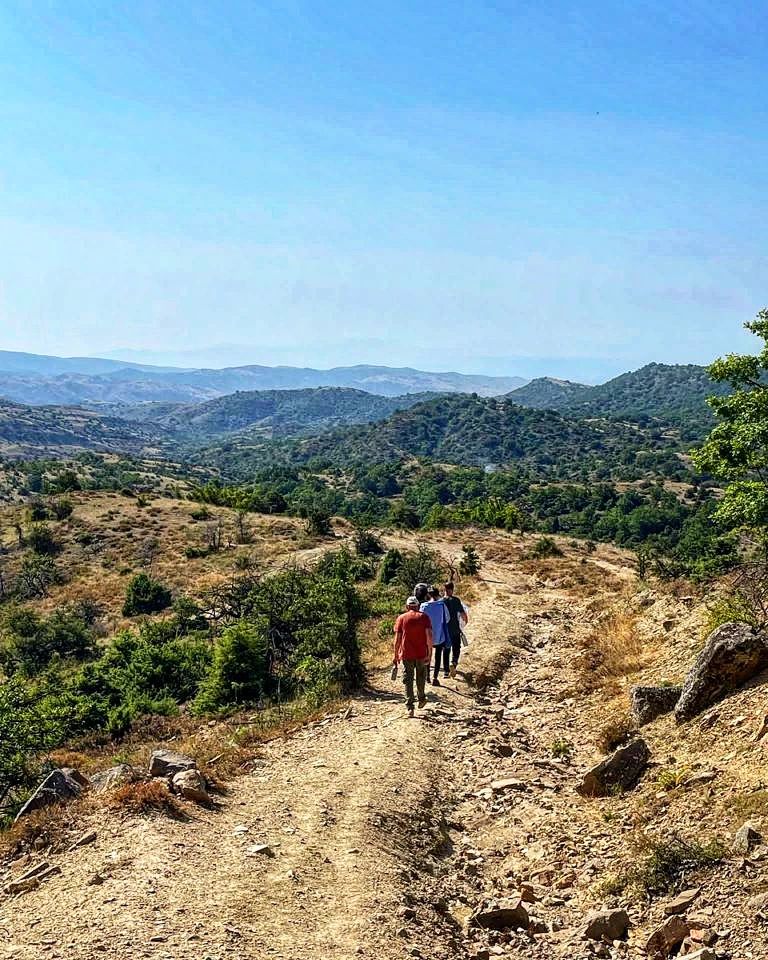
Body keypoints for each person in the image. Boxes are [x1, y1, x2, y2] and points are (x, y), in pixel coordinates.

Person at [393, 596, 432, 716]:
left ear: (407, 606)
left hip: (406, 654)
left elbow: (397, 639)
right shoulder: (424, 617)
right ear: (418, 606)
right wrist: (429, 653)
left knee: (408, 680)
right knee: (421, 676)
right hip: (421, 653)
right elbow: (429, 636)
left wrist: (395, 655)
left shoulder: (401, 618)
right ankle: (421, 698)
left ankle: (410, 706)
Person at [420, 586, 450, 685]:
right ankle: (435, 677)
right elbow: (447, 618)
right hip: (439, 635)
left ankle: (427, 676)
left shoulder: (424, 606)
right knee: (438, 657)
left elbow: (420, 619)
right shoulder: (442, 605)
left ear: (428, 594)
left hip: (426, 636)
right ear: (438, 594)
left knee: (428, 655)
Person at [442, 581, 468, 678]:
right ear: (452, 589)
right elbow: (463, 615)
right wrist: (465, 623)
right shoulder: (456, 600)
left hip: (445, 630)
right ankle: (454, 662)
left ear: (444, 589)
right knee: (456, 647)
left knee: (446, 649)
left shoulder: (441, 602)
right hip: (455, 629)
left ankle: (445, 671)